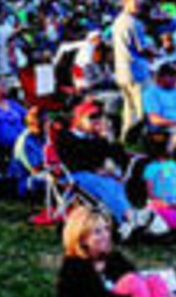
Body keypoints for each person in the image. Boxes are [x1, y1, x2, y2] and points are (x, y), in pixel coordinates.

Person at [57, 101, 154, 240]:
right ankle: (129, 217)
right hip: (74, 175)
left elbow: (118, 157)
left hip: (97, 174)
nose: (97, 120)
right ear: (78, 119)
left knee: (113, 181)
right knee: (104, 182)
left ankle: (127, 220)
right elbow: (72, 160)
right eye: (92, 117)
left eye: (99, 116)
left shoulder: (96, 138)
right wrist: (96, 169)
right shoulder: (67, 136)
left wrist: (110, 139)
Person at [112, 0, 153, 143]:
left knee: (129, 108)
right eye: (134, 3)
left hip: (121, 71)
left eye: (139, 2)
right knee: (143, 107)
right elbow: (142, 48)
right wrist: (155, 52)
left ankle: (127, 136)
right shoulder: (135, 23)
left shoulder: (117, 22)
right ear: (125, 3)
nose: (138, 6)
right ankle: (144, 138)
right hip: (137, 71)